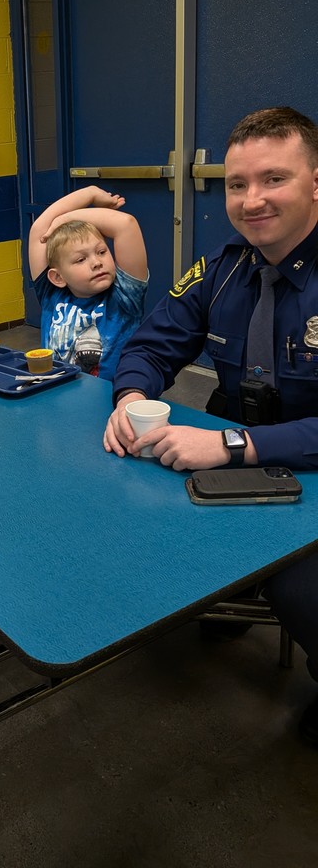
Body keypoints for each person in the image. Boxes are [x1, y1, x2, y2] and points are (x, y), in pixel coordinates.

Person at [103, 106, 318, 745]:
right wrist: (130, 397)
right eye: (236, 183)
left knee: (302, 586)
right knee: (120, 507)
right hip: (229, 455)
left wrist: (233, 445)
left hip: (299, 462)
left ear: (315, 182)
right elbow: (151, 343)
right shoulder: (223, 266)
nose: (252, 201)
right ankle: (232, 594)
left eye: (273, 179)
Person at [27, 184, 148, 380]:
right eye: (80, 259)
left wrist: (67, 218)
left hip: (110, 401)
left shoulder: (125, 296)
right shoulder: (52, 295)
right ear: (58, 278)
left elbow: (126, 224)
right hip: (57, 397)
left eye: (101, 252)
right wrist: (89, 193)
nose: (96, 263)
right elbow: (40, 231)